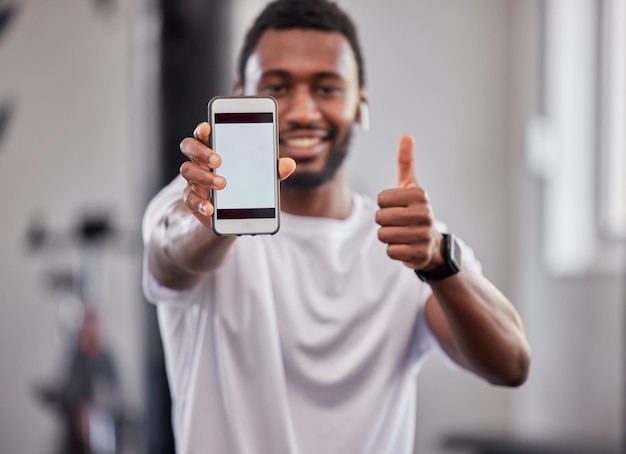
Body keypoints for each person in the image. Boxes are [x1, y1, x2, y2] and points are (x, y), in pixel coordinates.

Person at [142, 1, 531, 453]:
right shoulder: (192, 205)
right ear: (241, 94)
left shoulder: (410, 242)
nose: (303, 111)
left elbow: (511, 364)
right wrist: (215, 224)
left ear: (360, 102)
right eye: (276, 86)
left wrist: (440, 260)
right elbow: (172, 252)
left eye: (326, 88)